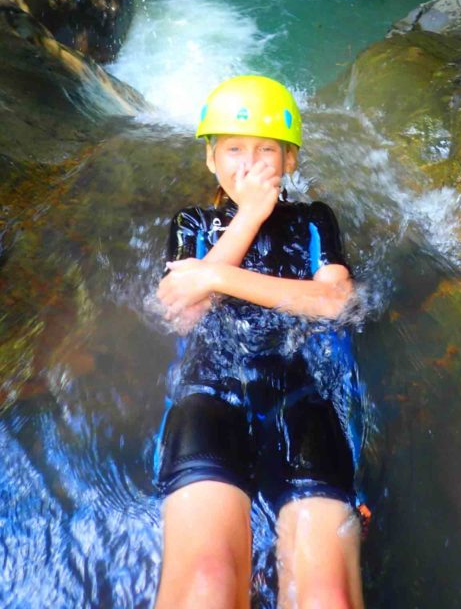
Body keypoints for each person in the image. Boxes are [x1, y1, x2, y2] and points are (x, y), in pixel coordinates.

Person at [154, 74, 365, 609]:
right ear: (211, 160)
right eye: (233, 149)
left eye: (266, 151)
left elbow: (335, 304)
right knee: (206, 583)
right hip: (209, 391)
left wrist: (214, 277)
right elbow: (179, 311)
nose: (249, 164)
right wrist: (248, 215)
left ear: (289, 161)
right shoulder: (194, 223)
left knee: (328, 597)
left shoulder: (315, 220)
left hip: (299, 393)